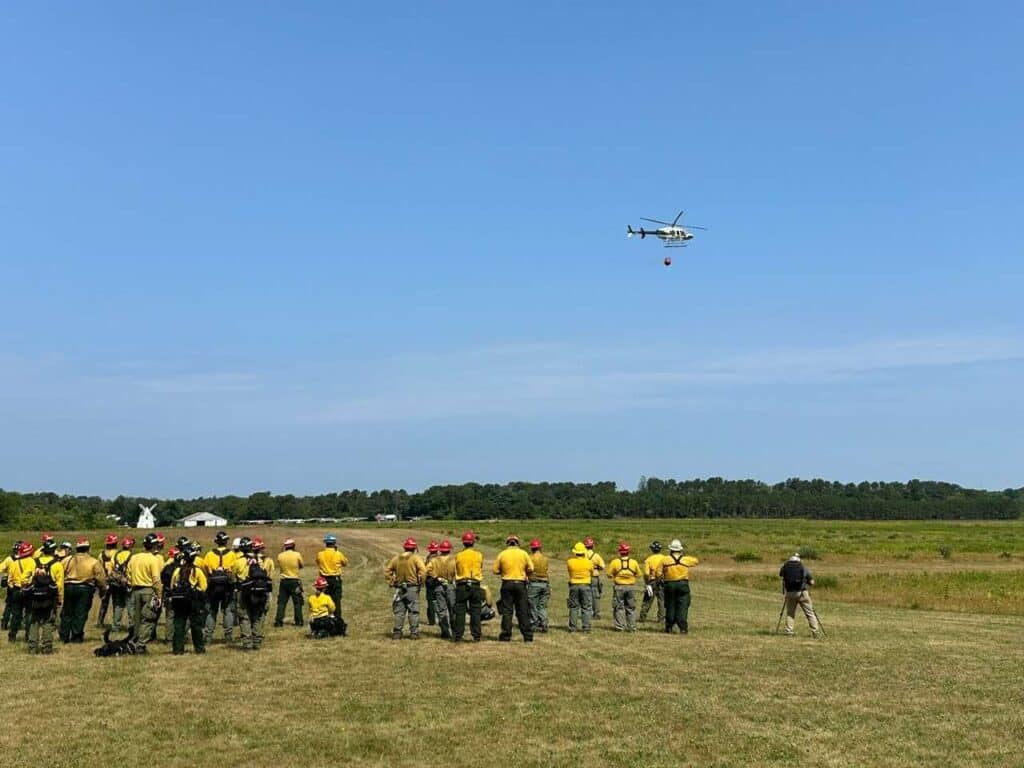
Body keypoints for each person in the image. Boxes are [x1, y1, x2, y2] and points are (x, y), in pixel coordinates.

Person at [59, 537, 107, 643]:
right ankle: (76, 636)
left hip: (69, 587)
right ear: (88, 548)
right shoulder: (93, 562)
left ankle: (64, 635)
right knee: (80, 613)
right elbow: (101, 579)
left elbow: (59, 574)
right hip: (85, 589)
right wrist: (103, 591)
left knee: (67, 612)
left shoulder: (67, 560)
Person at [233, 537, 275, 651]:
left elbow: (233, 577)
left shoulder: (238, 561)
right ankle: (257, 641)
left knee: (244, 617)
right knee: (258, 616)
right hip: (260, 592)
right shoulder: (262, 560)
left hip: (243, 592)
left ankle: (247, 643)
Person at [24, 539, 65, 654]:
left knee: (34, 622)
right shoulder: (57, 565)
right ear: (53, 550)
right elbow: (60, 585)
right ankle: (47, 648)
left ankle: (32, 648)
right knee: (48, 622)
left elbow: (24, 578)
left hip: (35, 598)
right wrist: (60, 599)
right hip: (49, 598)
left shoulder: (34, 562)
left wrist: (28, 586)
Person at [492, 534, 534, 643]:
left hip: (507, 583)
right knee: (523, 610)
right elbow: (531, 568)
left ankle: (506, 635)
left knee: (507, 610)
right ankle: (527, 636)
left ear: (507, 543)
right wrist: (524, 572)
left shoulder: (502, 554)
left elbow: (495, 570)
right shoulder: (523, 553)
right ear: (517, 543)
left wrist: (504, 571)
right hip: (520, 583)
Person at [126, 533, 164, 651]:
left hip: (135, 590)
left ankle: (133, 640)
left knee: (136, 619)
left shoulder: (134, 557)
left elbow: (129, 574)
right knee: (148, 619)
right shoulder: (153, 559)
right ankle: (140, 645)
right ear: (155, 546)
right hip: (149, 590)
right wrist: (159, 595)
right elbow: (156, 579)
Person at [384, 537, 427, 640]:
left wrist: (392, 581)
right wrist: (421, 582)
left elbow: (387, 571)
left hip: (399, 588)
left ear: (405, 547)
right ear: (414, 548)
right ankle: (414, 633)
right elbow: (424, 571)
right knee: (413, 611)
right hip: (412, 588)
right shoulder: (416, 558)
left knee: (399, 612)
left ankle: (397, 633)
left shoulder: (396, 558)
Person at [169, 544, 208, 654]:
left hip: (179, 601)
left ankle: (177, 649)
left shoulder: (177, 571)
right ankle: (199, 649)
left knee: (179, 625)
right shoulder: (197, 571)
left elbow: (172, 586)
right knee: (196, 626)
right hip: (193, 602)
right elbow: (204, 587)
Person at [655, 539, 699, 635]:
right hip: (683, 584)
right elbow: (696, 561)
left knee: (670, 605)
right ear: (680, 550)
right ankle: (683, 628)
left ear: (670, 549)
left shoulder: (665, 559)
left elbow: (658, 573)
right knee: (683, 606)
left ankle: (669, 627)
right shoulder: (685, 559)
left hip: (669, 585)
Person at [202, 531, 237, 644]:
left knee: (211, 611)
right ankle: (228, 636)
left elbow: (205, 569)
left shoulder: (209, 554)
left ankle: (208, 637)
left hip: (212, 586)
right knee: (227, 611)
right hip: (227, 586)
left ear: (217, 542)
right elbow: (234, 571)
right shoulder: (232, 554)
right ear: (226, 541)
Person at [452, 532, 484, 643]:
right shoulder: (479, 555)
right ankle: (476, 636)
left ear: (463, 543)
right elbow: (480, 566)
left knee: (460, 611)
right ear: (473, 543)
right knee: (475, 611)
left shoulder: (458, 556)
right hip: (475, 584)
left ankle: (458, 636)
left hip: (462, 585)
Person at [779, 553, 820, 637]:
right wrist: (806, 584)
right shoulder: (803, 568)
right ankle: (815, 631)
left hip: (790, 593)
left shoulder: (785, 567)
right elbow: (812, 582)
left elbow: (781, 575)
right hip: (802, 593)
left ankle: (789, 631)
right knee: (809, 613)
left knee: (790, 613)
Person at [5, 541, 36, 642]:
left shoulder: (14, 563)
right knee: (29, 613)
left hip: (16, 591)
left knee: (15, 614)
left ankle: (12, 635)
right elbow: (34, 576)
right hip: (28, 590)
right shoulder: (32, 562)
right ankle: (28, 635)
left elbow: (9, 580)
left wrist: (13, 588)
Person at [606, 542, 641, 632]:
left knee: (618, 607)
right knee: (631, 608)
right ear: (628, 552)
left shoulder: (615, 562)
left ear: (620, 552)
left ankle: (619, 626)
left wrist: (617, 575)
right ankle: (631, 627)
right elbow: (638, 574)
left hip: (619, 587)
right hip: (630, 587)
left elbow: (609, 575)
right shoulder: (634, 562)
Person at [425, 539, 456, 639]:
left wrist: (435, 577)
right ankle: (455, 631)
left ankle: (445, 631)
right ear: (449, 550)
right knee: (453, 609)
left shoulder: (434, 560)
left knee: (441, 610)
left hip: (438, 586)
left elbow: (426, 570)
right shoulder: (454, 560)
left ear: (440, 550)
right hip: (450, 586)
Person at [316, 534, 349, 622]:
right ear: (334, 543)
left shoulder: (320, 554)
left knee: (324, 600)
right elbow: (345, 563)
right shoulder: (338, 554)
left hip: (324, 580)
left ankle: (325, 619)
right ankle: (337, 620)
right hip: (335, 579)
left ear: (325, 543)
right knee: (336, 601)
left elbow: (318, 562)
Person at [274, 538, 304, 628]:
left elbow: (279, 563)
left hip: (283, 581)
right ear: (293, 546)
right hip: (294, 581)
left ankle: (278, 621)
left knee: (281, 602)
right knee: (297, 602)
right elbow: (301, 565)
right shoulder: (297, 554)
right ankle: (299, 621)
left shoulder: (280, 555)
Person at [566, 542, 596, 632]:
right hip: (586, 585)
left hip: (574, 585)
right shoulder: (589, 562)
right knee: (586, 607)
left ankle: (573, 627)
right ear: (584, 552)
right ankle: (586, 627)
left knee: (573, 607)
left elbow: (569, 572)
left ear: (575, 552)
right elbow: (592, 573)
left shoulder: (570, 562)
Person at [108, 536, 136, 633]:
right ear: (130, 546)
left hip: (116, 584)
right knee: (130, 606)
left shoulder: (116, 555)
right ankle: (132, 627)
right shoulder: (132, 556)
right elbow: (133, 571)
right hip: (127, 584)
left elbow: (110, 570)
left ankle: (116, 626)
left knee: (118, 606)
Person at [95, 533, 120, 627]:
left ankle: (99, 622)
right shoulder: (118, 553)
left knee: (104, 602)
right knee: (116, 602)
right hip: (115, 580)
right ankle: (115, 623)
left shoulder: (101, 554)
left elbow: (98, 568)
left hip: (105, 580)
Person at [639, 540, 666, 623]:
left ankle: (642, 617)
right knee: (662, 601)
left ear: (652, 549)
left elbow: (646, 573)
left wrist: (647, 583)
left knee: (647, 600)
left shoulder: (649, 560)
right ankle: (661, 618)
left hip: (652, 582)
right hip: (663, 581)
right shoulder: (665, 558)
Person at [527, 538, 550, 633]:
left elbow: (528, 570)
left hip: (534, 584)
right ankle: (544, 623)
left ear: (532, 548)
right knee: (542, 606)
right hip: (545, 584)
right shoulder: (545, 559)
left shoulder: (530, 558)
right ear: (540, 548)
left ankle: (534, 624)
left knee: (533, 605)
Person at [160, 547, 180, 642]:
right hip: (180, 594)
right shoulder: (181, 568)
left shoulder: (166, 567)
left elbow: (162, 580)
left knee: (169, 616)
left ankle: (169, 638)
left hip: (168, 594)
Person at [583, 536, 605, 619]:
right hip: (594, 577)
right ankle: (596, 613)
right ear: (592, 546)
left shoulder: (582, 554)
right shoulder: (596, 556)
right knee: (595, 596)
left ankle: (586, 612)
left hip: (584, 577)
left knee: (585, 595)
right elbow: (602, 566)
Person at [0, 541, 20, 631]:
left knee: (9, 605)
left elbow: (1, 568)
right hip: (22, 585)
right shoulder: (25, 559)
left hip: (11, 585)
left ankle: (4, 623)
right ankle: (17, 624)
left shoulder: (9, 559)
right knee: (19, 606)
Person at [424, 540, 440, 625]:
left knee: (430, 601)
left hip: (430, 581)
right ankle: (441, 618)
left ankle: (431, 620)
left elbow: (426, 570)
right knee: (439, 600)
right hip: (439, 580)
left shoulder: (428, 558)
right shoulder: (440, 558)